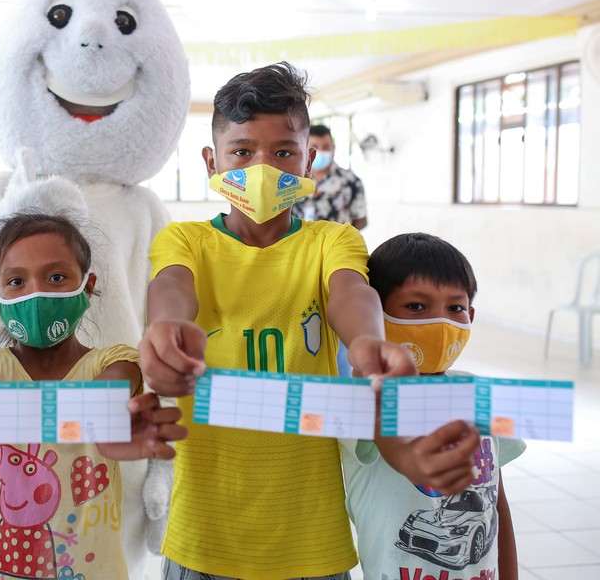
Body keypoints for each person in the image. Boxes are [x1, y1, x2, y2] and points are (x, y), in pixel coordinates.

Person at [137, 62, 474, 580]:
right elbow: (172, 286)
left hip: (312, 542)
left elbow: (350, 292)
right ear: (211, 161)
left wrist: (367, 340)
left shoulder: (330, 241)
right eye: (242, 152)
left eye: (283, 152)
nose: (263, 168)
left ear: (308, 161)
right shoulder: (186, 240)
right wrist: (164, 327)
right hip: (201, 536)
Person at [0, 210, 188, 580]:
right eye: (16, 281)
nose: (35, 292)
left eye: (55, 277)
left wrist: (105, 421)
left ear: (87, 286)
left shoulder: (116, 363)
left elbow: (100, 405)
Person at [343, 232, 524, 579]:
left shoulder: (479, 394)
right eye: (416, 307)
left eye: (455, 308)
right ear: (376, 314)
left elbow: (496, 505)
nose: (440, 322)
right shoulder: (367, 398)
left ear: (471, 315)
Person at [296, 124, 368, 230]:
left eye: (326, 147)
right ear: (305, 149)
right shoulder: (295, 180)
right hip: (301, 240)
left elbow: (361, 220)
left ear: (333, 148)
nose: (320, 152)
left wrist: (345, 237)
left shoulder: (351, 181)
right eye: (315, 147)